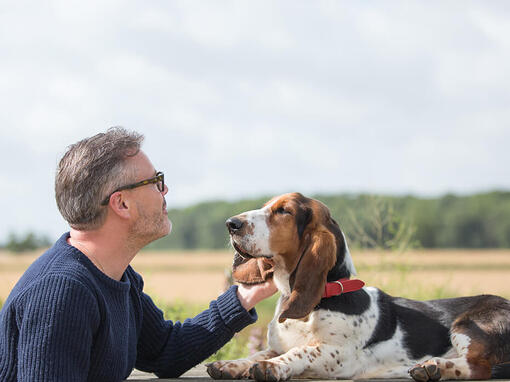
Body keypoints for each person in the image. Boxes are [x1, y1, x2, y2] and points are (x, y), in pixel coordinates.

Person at [0, 127, 277, 381]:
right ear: (121, 203)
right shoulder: (62, 292)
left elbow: (166, 350)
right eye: (156, 181)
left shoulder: (115, 275)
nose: (165, 189)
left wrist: (246, 296)